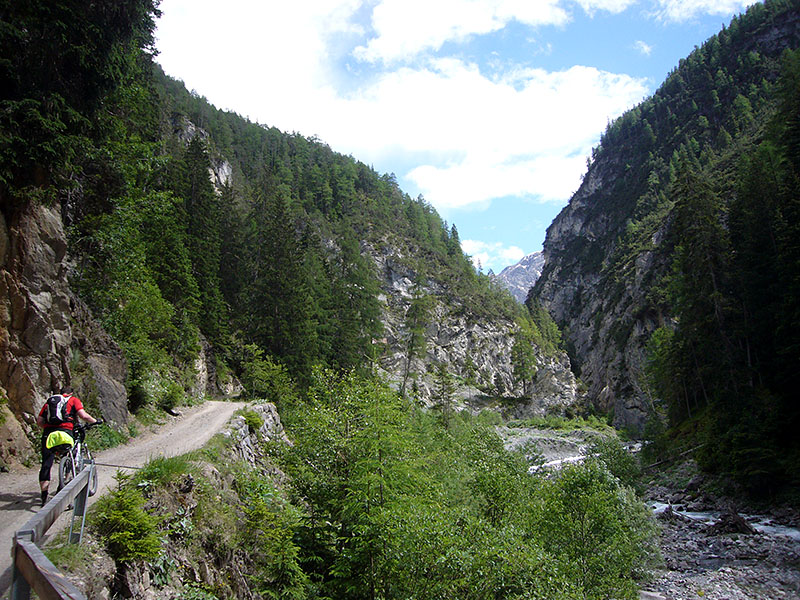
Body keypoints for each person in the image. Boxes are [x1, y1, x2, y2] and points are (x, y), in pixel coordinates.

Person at [36, 386, 99, 507]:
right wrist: (95, 421)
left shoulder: (50, 401)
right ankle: (63, 484)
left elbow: (39, 421)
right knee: (69, 456)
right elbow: (83, 415)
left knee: (46, 463)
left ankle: (44, 496)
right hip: (66, 432)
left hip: (49, 434)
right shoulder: (73, 400)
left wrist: (49, 428)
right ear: (71, 393)